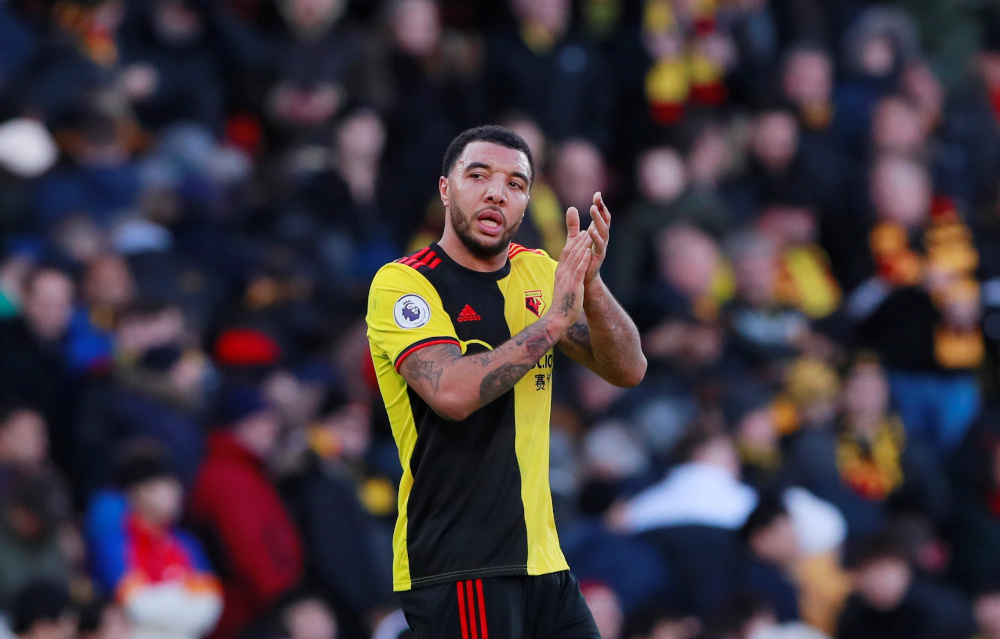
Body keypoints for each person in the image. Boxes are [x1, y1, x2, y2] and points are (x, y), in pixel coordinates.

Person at [366, 125, 646, 638]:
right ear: (446, 189)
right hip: (461, 562)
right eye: (479, 176)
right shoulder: (404, 283)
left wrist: (592, 286)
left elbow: (628, 369)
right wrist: (553, 323)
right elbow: (451, 393)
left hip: (544, 560)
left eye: (516, 184)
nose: (497, 191)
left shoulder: (539, 271)